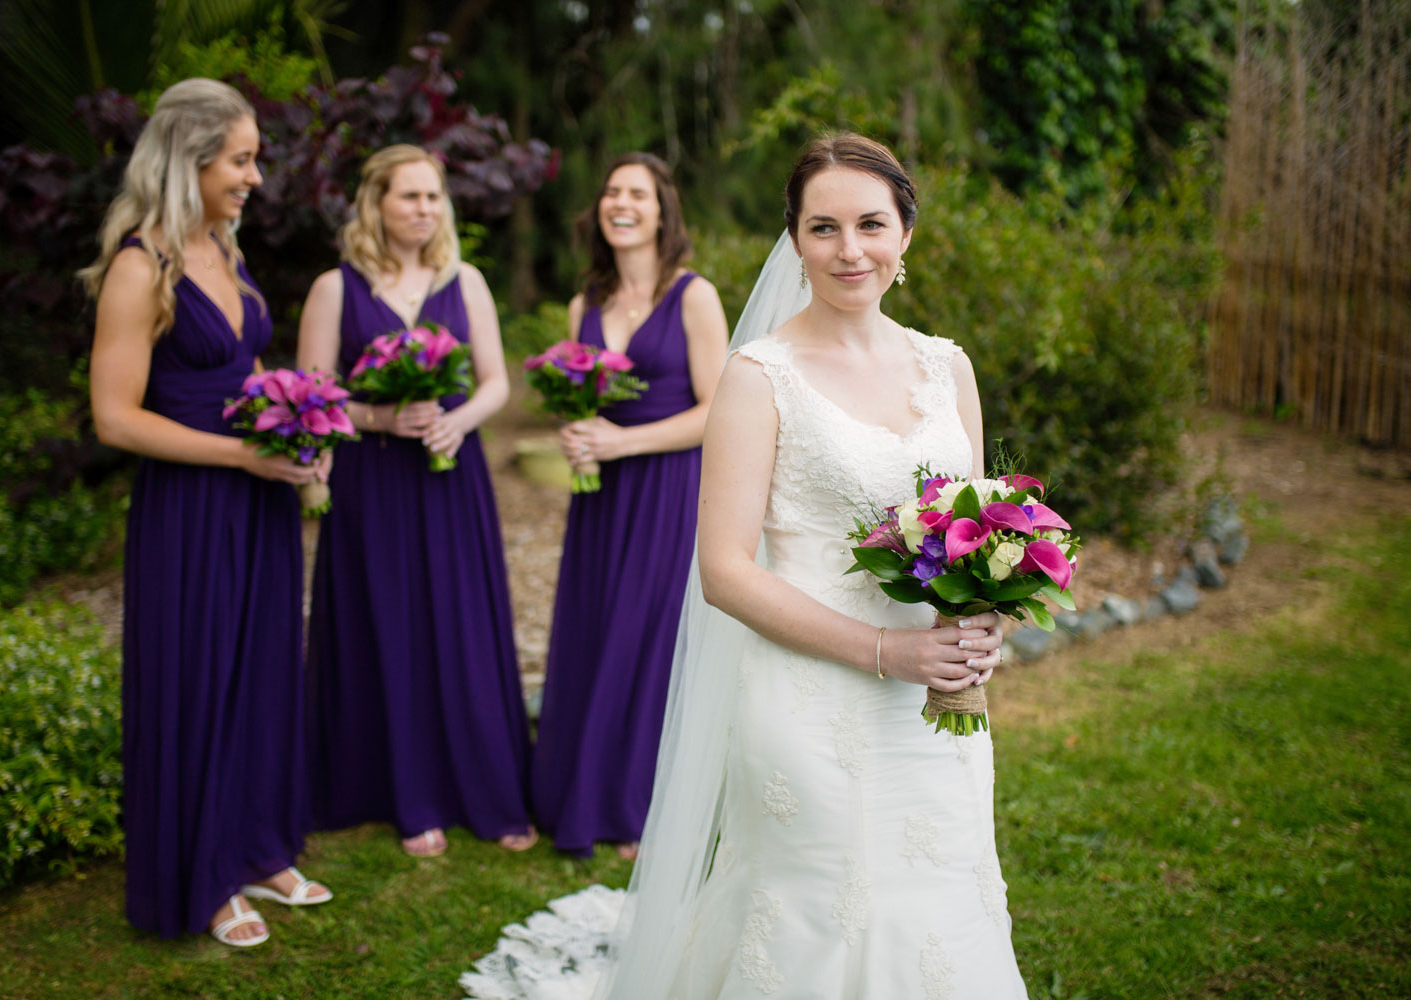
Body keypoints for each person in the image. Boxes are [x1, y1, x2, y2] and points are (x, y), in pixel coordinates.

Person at [464, 134, 1026, 999]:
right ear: (794, 240)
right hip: (809, 703)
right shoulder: (760, 375)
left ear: (905, 233)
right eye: (823, 227)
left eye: (871, 224)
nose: (850, 250)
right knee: (814, 911)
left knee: (940, 900)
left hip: (935, 707)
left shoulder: (947, 367)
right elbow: (723, 571)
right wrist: (886, 652)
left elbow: (968, 534)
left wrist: (979, 622)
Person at [85, 78, 332, 949]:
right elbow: (115, 416)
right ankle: (202, 872)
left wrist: (301, 419)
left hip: (258, 502)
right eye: (241, 159)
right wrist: (242, 454)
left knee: (262, 671)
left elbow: (243, 371)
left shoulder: (225, 252)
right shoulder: (138, 265)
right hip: (190, 512)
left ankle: (260, 844)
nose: (255, 178)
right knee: (198, 680)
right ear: (190, 162)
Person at [298, 144, 536, 858]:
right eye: (410, 196)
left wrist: (455, 421)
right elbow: (314, 397)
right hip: (371, 483)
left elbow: (495, 382)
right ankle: (403, 794)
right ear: (376, 203)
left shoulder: (465, 281)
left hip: (449, 475)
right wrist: (378, 419)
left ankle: (481, 787)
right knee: (388, 624)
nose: (425, 210)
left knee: (459, 623)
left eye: (434, 197)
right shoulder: (335, 289)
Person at [530, 152, 730, 858]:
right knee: (593, 625)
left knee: (651, 640)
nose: (621, 202)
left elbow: (720, 411)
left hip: (670, 490)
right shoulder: (584, 303)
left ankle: (639, 804)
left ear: (662, 209)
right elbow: (578, 396)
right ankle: (577, 791)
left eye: (637, 194)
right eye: (611, 190)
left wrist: (624, 443)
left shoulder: (694, 295)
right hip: (600, 498)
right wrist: (578, 433)